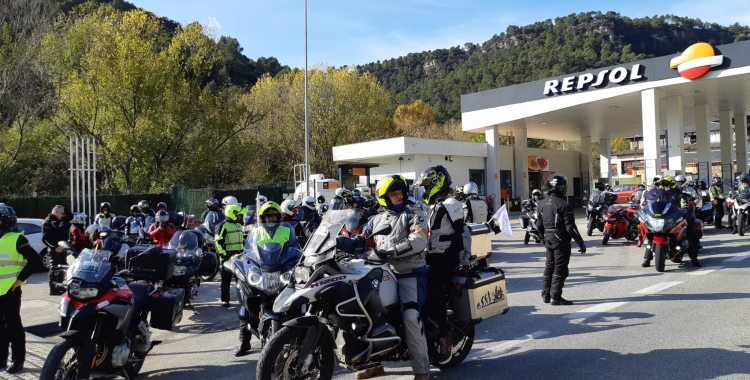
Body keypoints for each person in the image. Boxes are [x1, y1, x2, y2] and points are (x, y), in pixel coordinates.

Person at [336, 174, 429, 380]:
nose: (398, 196)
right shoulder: (375, 220)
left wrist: (392, 251)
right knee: (365, 315)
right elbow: (362, 242)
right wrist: (338, 242)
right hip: (381, 273)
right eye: (393, 193)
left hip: (409, 272)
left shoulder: (413, 213)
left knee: (410, 317)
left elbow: (419, 239)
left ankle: (422, 371)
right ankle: (373, 363)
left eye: (399, 192)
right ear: (383, 197)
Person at [416, 166, 472, 367]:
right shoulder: (435, 205)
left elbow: (463, 233)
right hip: (433, 255)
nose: (425, 189)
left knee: (435, 288)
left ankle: (443, 337)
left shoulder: (452, 204)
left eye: (427, 185)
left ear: (436, 183)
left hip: (447, 257)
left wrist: (464, 261)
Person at [235, 202, 299, 357]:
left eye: (273, 216)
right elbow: (248, 250)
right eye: (267, 216)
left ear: (279, 216)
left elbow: (295, 247)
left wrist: (299, 258)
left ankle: (298, 339)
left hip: (281, 270)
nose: (271, 219)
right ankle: (244, 342)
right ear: (262, 218)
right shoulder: (256, 231)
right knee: (246, 308)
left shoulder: (286, 229)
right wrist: (241, 260)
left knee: (297, 302)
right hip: (262, 271)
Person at [0, 203, 41, 375]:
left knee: (13, 326)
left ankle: (18, 360)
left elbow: (35, 260)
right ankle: (1, 358)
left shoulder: (17, 238)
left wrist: (20, 280)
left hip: (10, 290)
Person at [536, 174, 586, 305]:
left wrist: (542, 238)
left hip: (548, 239)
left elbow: (539, 224)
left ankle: (546, 294)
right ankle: (555, 296)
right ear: (564, 187)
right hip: (560, 240)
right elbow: (570, 227)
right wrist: (580, 242)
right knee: (560, 268)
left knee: (549, 266)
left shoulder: (541, 203)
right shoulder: (564, 204)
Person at [641, 176, 701, 267]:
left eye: (666, 184)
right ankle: (647, 259)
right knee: (651, 234)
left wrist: (684, 210)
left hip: (675, 217)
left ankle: (694, 259)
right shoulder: (659, 194)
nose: (664, 186)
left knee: (686, 234)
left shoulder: (678, 194)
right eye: (662, 184)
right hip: (662, 217)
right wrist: (648, 210)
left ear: (672, 185)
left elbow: (684, 204)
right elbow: (653, 203)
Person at [215, 203, 247, 308]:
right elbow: (218, 242)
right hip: (227, 256)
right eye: (239, 215)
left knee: (242, 279)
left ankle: (244, 299)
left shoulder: (238, 225)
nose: (241, 217)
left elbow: (242, 240)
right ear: (232, 214)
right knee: (226, 280)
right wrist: (224, 255)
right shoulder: (222, 225)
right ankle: (225, 299)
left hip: (239, 256)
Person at [42, 205, 73, 295]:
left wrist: (63, 209)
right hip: (55, 249)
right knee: (55, 267)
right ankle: (53, 288)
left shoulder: (62, 220)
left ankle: (59, 286)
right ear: (56, 212)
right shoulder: (47, 222)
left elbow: (70, 216)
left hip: (63, 247)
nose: (64, 215)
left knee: (63, 266)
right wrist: (55, 248)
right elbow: (45, 239)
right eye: (62, 213)